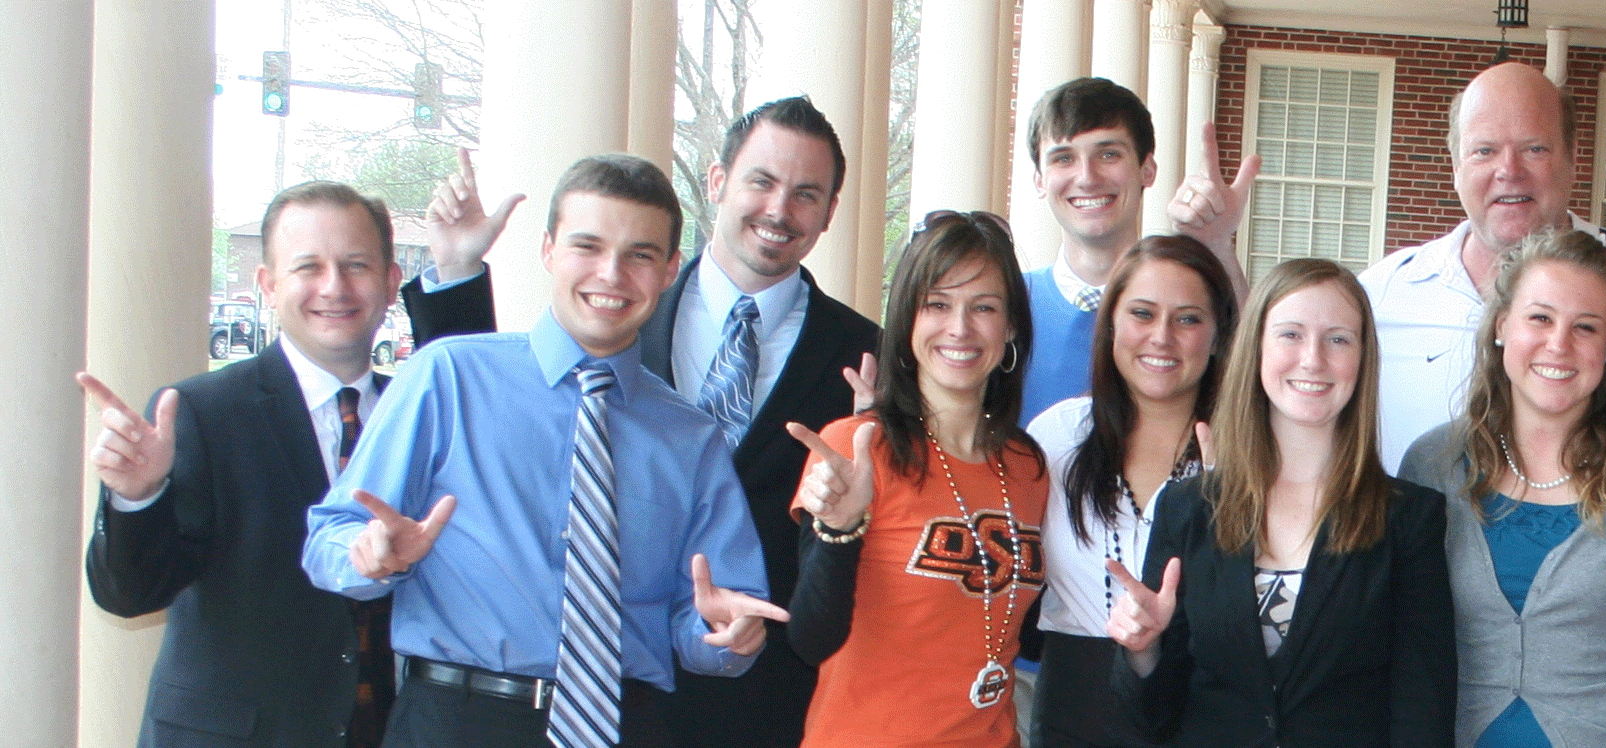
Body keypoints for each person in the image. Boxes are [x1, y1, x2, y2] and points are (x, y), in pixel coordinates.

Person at [402, 98, 881, 747]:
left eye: (806, 194)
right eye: (761, 181)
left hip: (760, 700)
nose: (778, 209)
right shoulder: (616, 302)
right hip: (593, 699)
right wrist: (458, 272)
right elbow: (505, 402)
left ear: (829, 211)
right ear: (717, 181)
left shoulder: (869, 363)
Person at [301, 154, 788, 748]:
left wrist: (726, 636)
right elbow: (331, 535)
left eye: (640, 255)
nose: (611, 274)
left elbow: (710, 615)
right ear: (548, 250)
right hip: (460, 719)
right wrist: (369, 555)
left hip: (627, 724)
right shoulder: (448, 377)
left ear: (669, 271)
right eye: (588, 246)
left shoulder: (690, 437)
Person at [80, 181, 405, 748]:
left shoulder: (417, 415)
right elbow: (130, 594)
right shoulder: (201, 413)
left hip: (383, 729)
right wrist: (138, 498)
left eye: (356, 264)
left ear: (391, 282)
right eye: (308, 266)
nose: (334, 286)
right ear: (268, 285)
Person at [1101, 259, 1456, 747]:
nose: (1313, 358)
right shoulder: (1187, 509)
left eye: (1338, 339)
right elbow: (1153, 718)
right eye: (1290, 335)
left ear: (1362, 358)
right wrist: (1145, 649)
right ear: (1257, 349)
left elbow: (1423, 711)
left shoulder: (1410, 519)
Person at [1393, 229, 1606, 748]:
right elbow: (1398, 648)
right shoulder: (1434, 465)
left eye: (1586, 327)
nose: (1559, 344)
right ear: (1502, 325)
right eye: (1540, 318)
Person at [1359, 62, 1606, 471]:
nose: (1509, 171)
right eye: (1484, 151)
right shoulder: (1381, 298)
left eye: (1534, 148)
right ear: (1455, 165)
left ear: (1573, 157)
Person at [782, 210, 1049, 747]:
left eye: (984, 308)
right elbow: (810, 640)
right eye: (937, 304)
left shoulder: (1028, 467)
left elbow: (1026, 629)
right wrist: (839, 530)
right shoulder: (857, 446)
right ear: (907, 320)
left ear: (1011, 327)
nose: (960, 328)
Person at [1022, 235, 1242, 748]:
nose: (1161, 337)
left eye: (1188, 319)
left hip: (1203, 703)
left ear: (1217, 335)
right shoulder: (1056, 438)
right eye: (1142, 313)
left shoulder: (1245, 450)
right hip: (1077, 702)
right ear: (1112, 325)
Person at [1018, 77, 1256, 424]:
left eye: (1109, 154)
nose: (1087, 177)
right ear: (1040, 180)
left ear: (1147, 169)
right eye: (1063, 158)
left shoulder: (1186, 311)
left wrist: (1217, 246)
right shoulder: (1008, 305)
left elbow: (1258, 373)